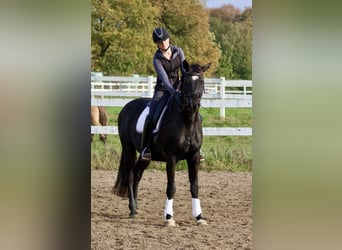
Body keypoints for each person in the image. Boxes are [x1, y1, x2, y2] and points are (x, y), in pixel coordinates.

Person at [140, 27, 186, 161]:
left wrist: (183, 88)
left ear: (168, 39)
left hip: (178, 88)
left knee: (193, 113)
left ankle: (196, 148)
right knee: (152, 115)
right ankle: (146, 149)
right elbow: (164, 79)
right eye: (160, 42)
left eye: (165, 40)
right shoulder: (157, 58)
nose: (164, 44)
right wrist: (173, 92)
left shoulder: (179, 52)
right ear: (157, 44)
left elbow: (183, 71)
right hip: (162, 90)